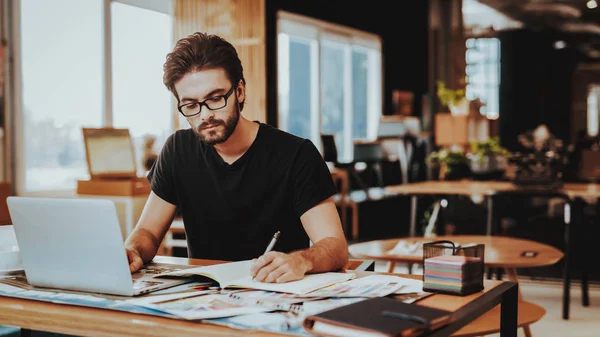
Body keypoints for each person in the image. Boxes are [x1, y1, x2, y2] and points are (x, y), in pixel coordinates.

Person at [124, 32, 348, 284]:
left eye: (215, 99)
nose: (204, 115)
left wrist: (302, 260)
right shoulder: (177, 150)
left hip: (275, 296)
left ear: (239, 91)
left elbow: (336, 246)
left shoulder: (296, 155)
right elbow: (147, 233)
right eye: (190, 105)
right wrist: (132, 250)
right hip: (202, 301)